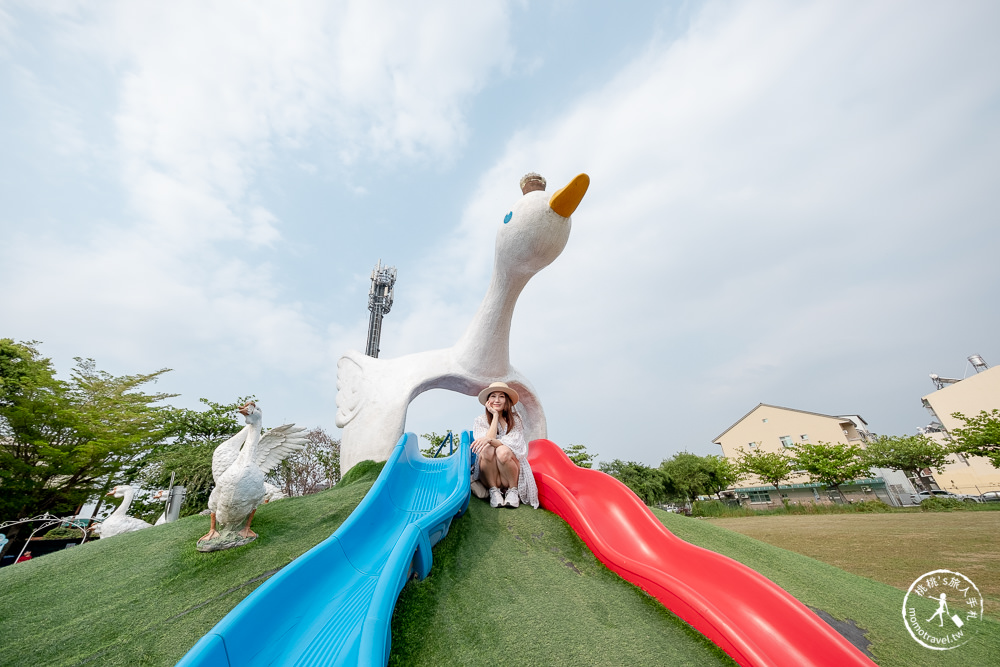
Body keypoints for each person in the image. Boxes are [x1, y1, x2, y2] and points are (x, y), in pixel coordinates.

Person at [471, 382, 539, 509]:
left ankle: (513, 491)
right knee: (487, 450)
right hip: (491, 475)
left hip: (508, 474)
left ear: (506, 400)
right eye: (493, 396)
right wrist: (495, 415)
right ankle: (494, 492)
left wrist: (490, 440)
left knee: (502, 451)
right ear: (488, 400)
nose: (497, 400)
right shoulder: (480, 420)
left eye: (501, 396)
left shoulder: (515, 419)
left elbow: (513, 443)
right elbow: (487, 441)